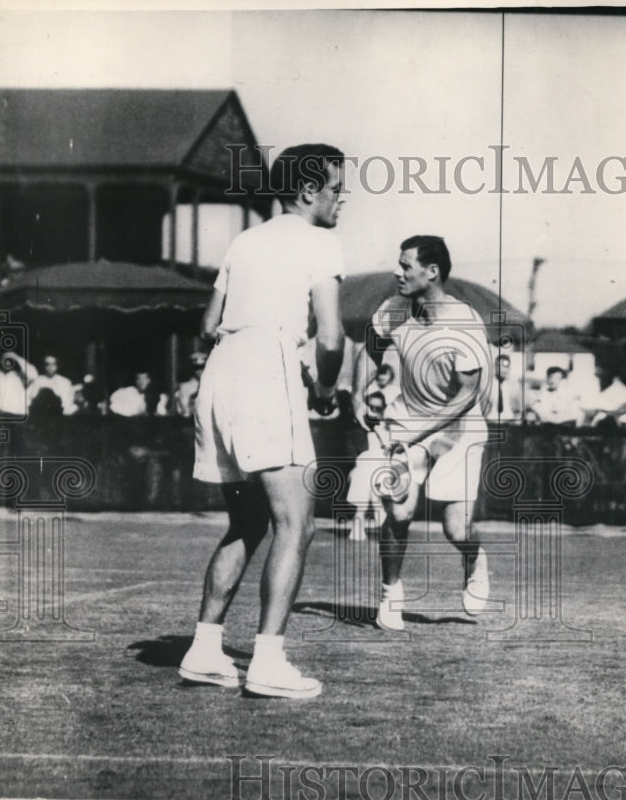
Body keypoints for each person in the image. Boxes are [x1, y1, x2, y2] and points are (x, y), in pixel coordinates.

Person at [179, 143, 346, 699]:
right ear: (307, 191)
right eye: (335, 189)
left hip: (221, 374)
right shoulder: (321, 243)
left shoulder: (244, 240)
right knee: (297, 524)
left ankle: (204, 650)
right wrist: (323, 388)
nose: (340, 200)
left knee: (248, 523)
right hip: (267, 374)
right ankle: (268, 663)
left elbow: (207, 324)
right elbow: (330, 336)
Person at [355, 235, 493, 630]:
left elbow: (466, 396)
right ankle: (390, 595)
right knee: (399, 511)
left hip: (460, 429)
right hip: (407, 420)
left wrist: (420, 437)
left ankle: (474, 558)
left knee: (455, 528)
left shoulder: (464, 321)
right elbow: (370, 348)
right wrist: (356, 395)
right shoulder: (393, 309)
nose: (397, 273)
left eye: (405, 266)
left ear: (432, 273)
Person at [345, 390, 388, 541]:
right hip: (361, 473)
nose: (374, 412)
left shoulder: (387, 431)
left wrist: (379, 431)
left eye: (378, 408)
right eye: (371, 407)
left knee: (369, 473)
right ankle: (380, 514)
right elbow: (351, 459)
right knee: (364, 471)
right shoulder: (356, 432)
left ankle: (359, 519)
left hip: (385, 473)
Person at [0, 350, 37, 417]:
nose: (8, 362)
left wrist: (16, 357)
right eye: (5, 360)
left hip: (21, 414)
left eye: (10, 360)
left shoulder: (19, 376)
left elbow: (34, 375)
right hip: (2, 413)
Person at [487, 353, 523, 422]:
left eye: (505, 366)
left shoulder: (514, 385)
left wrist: (517, 418)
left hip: (510, 420)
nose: (502, 369)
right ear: (495, 367)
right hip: (490, 420)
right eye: (499, 366)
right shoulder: (487, 384)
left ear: (509, 368)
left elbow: (519, 406)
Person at [172, 351, 208, 417]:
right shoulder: (184, 387)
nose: (200, 371)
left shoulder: (211, 386)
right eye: (196, 368)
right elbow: (184, 411)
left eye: (202, 367)